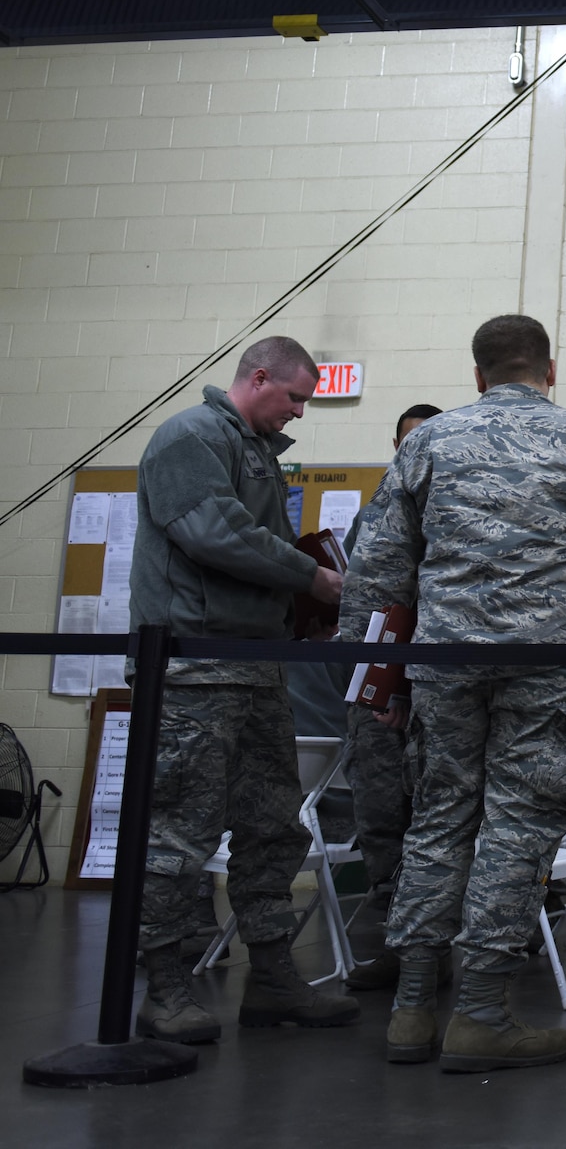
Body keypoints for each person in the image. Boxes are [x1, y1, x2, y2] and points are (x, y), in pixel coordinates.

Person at [342, 316, 566, 1072]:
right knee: (516, 825)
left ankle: (412, 1008)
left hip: (442, 665)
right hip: (546, 665)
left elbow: (376, 570)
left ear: (477, 375)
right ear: (550, 368)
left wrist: (380, 677)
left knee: (438, 818)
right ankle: (479, 1012)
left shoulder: (428, 441)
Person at [131, 335, 361, 1042]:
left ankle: (272, 975)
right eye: (293, 397)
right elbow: (215, 534)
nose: (297, 414)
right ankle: (162, 983)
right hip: (195, 666)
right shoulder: (189, 436)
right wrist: (309, 575)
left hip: (256, 663)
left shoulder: (256, 449)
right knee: (179, 829)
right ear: (257, 378)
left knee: (272, 822)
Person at [332, 402, 444, 992]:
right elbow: (361, 596)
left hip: (438, 688)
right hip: (376, 687)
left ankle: (443, 942)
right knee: (380, 813)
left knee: (438, 814)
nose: (419, 450)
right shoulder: (377, 511)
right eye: (409, 441)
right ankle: (393, 941)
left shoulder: (457, 508)